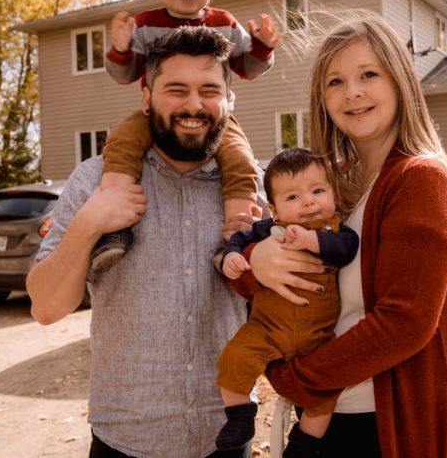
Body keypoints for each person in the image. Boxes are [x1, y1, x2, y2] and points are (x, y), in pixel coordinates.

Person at [26, 27, 305, 458]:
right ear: (146, 98)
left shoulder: (255, 196)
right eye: (176, 90)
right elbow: (46, 308)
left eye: (209, 91)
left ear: (228, 101)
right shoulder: (95, 181)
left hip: (227, 439)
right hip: (126, 439)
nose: (194, 105)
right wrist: (89, 223)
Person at [229, 15, 447, 457]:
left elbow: (403, 324)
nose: (352, 92)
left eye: (369, 74)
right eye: (335, 82)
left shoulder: (421, 181)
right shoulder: (333, 188)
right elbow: (265, 266)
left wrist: (295, 377)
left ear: (400, 80)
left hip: (383, 426)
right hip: (331, 415)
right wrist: (253, 261)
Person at [92, 0, 281, 271]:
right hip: (156, 116)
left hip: (217, 121)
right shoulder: (146, 25)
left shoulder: (224, 22)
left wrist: (264, 47)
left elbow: (247, 68)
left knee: (240, 160)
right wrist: (120, 49)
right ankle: (113, 228)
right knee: (121, 142)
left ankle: (236, 238)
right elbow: (125, 74)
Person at [212, 148, 359, 454]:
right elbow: (240, 237)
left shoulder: (336, 230)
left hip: (317, 337)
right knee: (234, 357)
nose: (308, 201)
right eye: (292, 197)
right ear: (274, 210)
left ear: (332, 193)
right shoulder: (269, 229)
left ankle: (304, 442)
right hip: (267, 327)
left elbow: (346, 248)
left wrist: (311, 240)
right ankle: (239, 416)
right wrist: (233, 256)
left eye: (318, 191)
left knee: (325, 393)